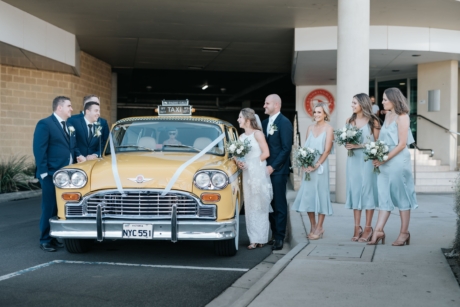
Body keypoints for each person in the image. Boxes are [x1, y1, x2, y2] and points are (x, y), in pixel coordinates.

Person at [33, 96, 85, 252]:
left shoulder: (68, 125)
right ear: (59, 108)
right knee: (49, 207)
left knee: (59, 207)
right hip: (50, 174)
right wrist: (43, 173)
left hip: (66, 176)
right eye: (69, 106)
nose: (72, 109)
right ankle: (45, 240)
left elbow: (73, 147)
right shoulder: (45, 124)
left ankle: (54, 237)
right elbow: (39, 149)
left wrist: (80, 156)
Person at [368, 87, 418, 246]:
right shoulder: (388, 114)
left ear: (394, 100)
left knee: (401, 195)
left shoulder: (402, 117)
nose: (382, 102)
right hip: (384, 160)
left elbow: (402, 144)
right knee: (384, 195)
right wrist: (376, 155)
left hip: (397, 161)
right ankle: (378, 231)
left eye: (384, 99)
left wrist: (384, 159)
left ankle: (404, 233)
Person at [291, 103, 334, 240]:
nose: (316, 115)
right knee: (309, 195)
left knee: (321, 195)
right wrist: (304, 164)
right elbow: (305, 149)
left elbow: (327, 150)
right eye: (315, 112)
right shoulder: (309, 128)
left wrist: (316, 165)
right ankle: (313, 225)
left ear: (325, 114)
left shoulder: (329, 129)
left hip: (320, 167)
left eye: (319, 112)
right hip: (308, 167)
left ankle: (320, 227)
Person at [344, 94, 380, 242]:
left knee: (368, 192)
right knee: (355, 191)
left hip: (367, 161)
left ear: (363, 104)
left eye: (354, 103)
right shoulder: (349, 121)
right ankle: (356, 227)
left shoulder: (374, 121)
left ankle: (368, 228)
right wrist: (346, 143)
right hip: (353, 161)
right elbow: (346, 140)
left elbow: (378, 144)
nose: (352, 105)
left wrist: (359, 145)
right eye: (352, 102)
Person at [236, 108, 272, 249]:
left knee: (260, 204)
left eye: (240, 117)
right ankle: (253, 239)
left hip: (258, 172)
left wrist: (250, 164)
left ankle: (261, 238)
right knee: (250, 205)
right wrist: (238, 161)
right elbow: (237, 155)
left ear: (247, 119)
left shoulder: (258, 134)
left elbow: (266, 153)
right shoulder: (241, 137)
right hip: (247, 174)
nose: (238, 120)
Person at [262, 94, 293, 250]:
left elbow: (286, 148)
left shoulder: (285, 123)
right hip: (264, 171)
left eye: (267, 103)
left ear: (276, 104)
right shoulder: (264, 123)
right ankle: (274, 235)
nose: (264, 106)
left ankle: (280, 237)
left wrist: (272, 167)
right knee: (269, 203)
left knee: (279, 204)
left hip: (278, 171)